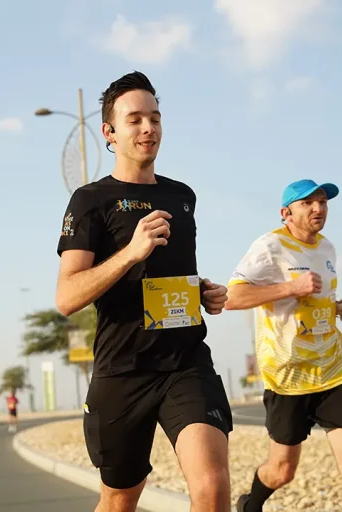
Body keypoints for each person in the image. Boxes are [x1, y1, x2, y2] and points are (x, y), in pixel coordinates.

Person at [55, 71, 233, 512]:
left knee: (211, 488)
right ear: (109, 133)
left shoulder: (182, 196)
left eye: (154, 118)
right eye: (134, 120)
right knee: (120, 498)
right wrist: (130, 253)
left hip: (185, 363)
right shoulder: (90, 201)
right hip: (124, 369)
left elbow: (171, 275)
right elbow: (67, 297)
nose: (148, 128)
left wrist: (203, 293)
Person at [224, 179, 342, 512]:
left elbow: (319, 299)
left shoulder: (328, 249)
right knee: (282, 471)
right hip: (287, 376)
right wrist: (290, 288)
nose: (318, 208)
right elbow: (232, 298)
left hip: (333, 370)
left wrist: (341, 308)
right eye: (308, 203)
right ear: (286, 213)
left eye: (322, 201)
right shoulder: (269, 247)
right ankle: (250, 505)